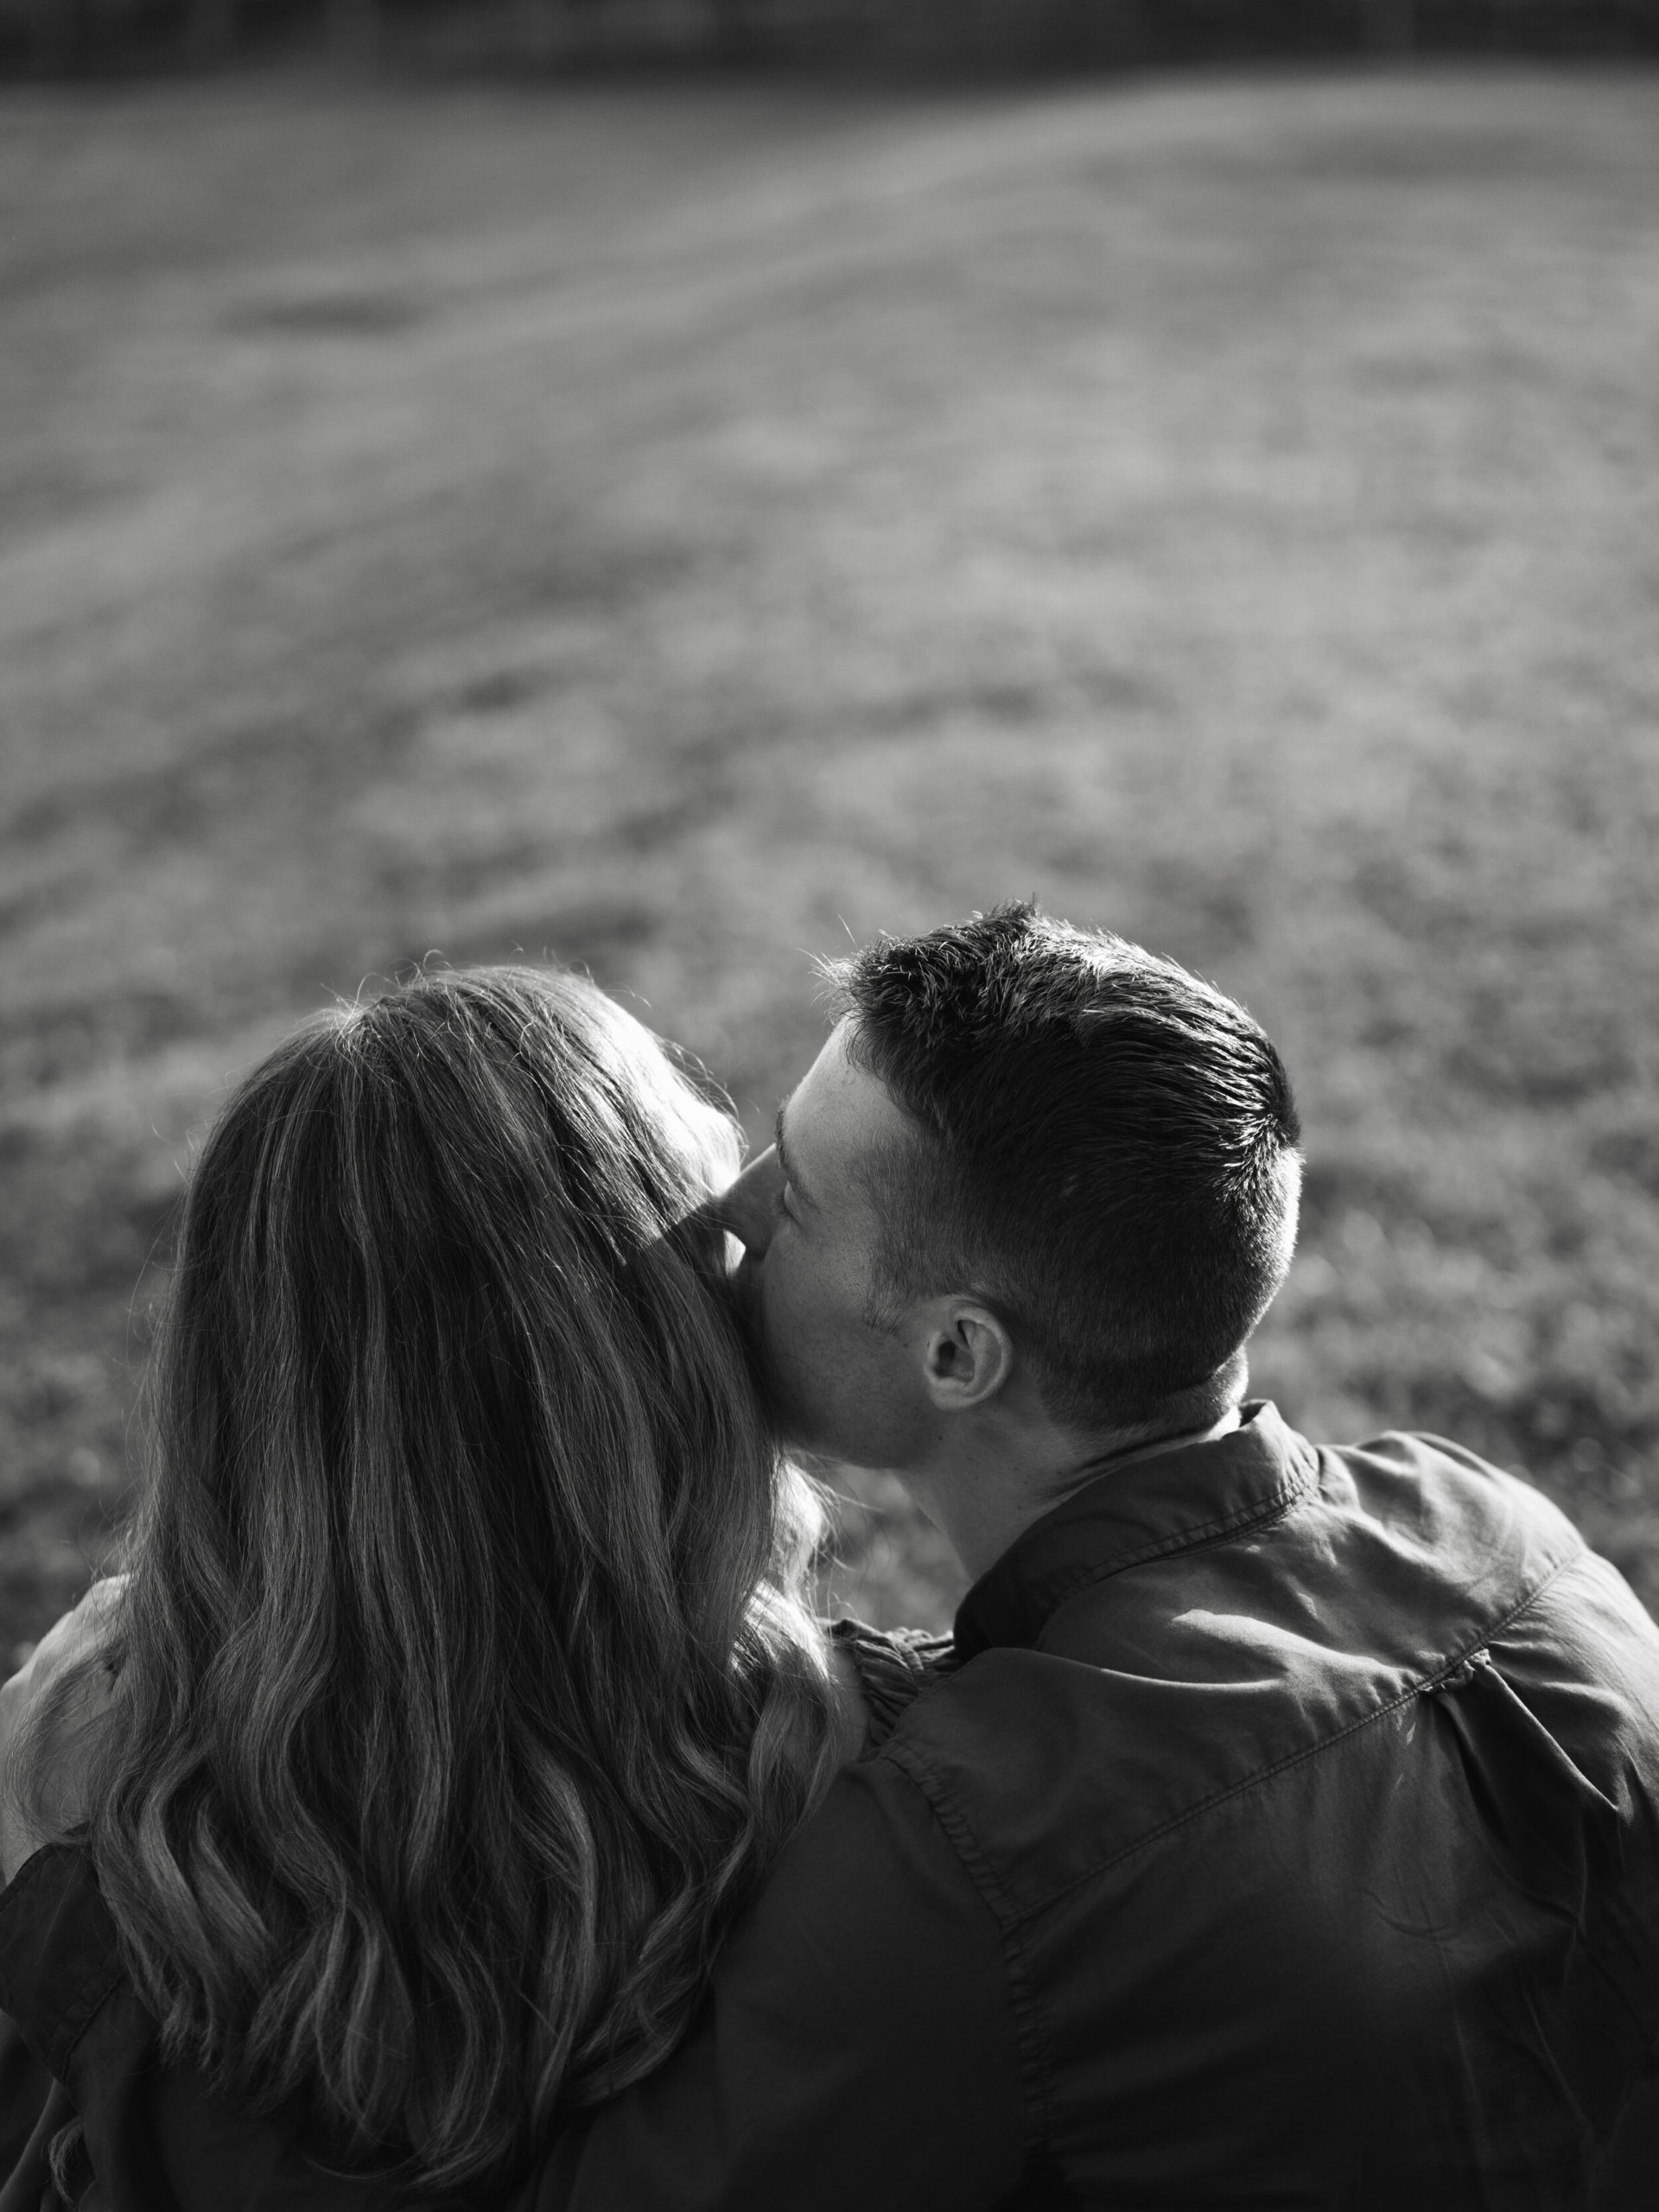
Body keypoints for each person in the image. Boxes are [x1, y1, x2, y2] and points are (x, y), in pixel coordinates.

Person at [7, 906, 1659, 2208]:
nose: (720, 1218)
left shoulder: (973, 1841)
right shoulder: (1504, 1530)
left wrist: (74, 1904)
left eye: (790, 1193)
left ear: (958, 1357)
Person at [0, 965, 940, 2209]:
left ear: (241, 1385)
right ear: (661, 1349)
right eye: (719, 1214)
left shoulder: (122, 1873)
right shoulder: (929, 1795)